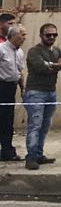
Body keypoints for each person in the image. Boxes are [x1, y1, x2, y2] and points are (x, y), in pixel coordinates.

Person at [23, 23, 61, 170]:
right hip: (35, 93)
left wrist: (52, 64)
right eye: (48, 35)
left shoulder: (57, 50)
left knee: (45, 126)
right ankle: (31, 157)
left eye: (54, 35)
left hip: (51, 92)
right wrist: (55, 65)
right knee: (35, 126)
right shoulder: (34, 51)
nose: (51, 37)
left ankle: (39, 155)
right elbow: (42, 68)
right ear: (41, 35)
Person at [0, 24, 26, 161]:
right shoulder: (1, 49)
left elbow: (20, 72)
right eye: (22, 35)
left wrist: (23, 88)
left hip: (11, 88)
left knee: (7, 121)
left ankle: (7, 151)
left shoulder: (19, 52)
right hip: (1, 86)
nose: (24, 38)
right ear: (13, 35)